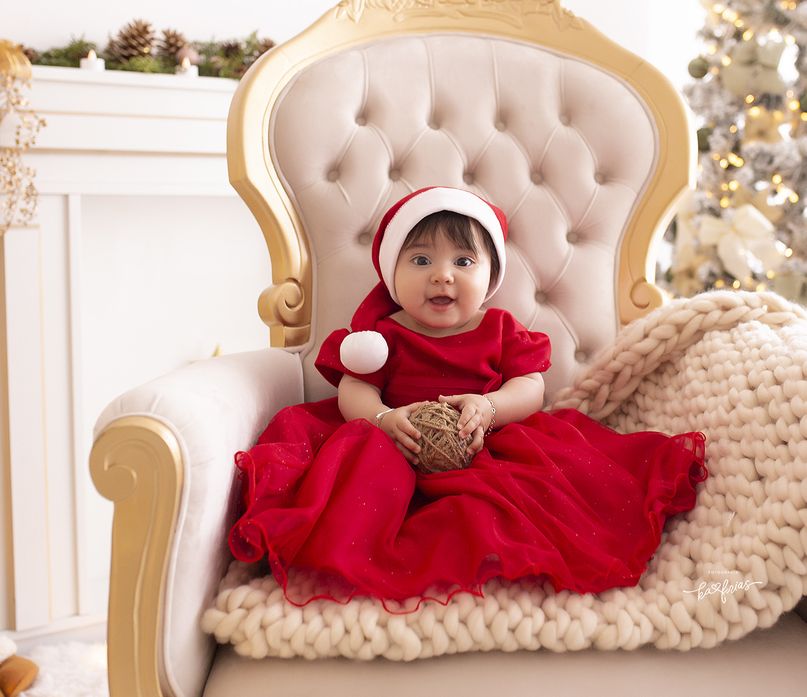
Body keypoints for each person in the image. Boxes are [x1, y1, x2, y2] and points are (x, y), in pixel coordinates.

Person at [229, 187, 706, 608]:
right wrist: (382, 417)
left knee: (518, 499)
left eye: (463, 261)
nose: (442, 276)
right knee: (359, 478)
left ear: (490, 275)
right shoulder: (381, 336)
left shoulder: (499, 329)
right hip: (397, 440)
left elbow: (531, 387)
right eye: (421, 260)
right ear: (392, 274)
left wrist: (491, 406)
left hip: (488, 441)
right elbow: (355, 387)